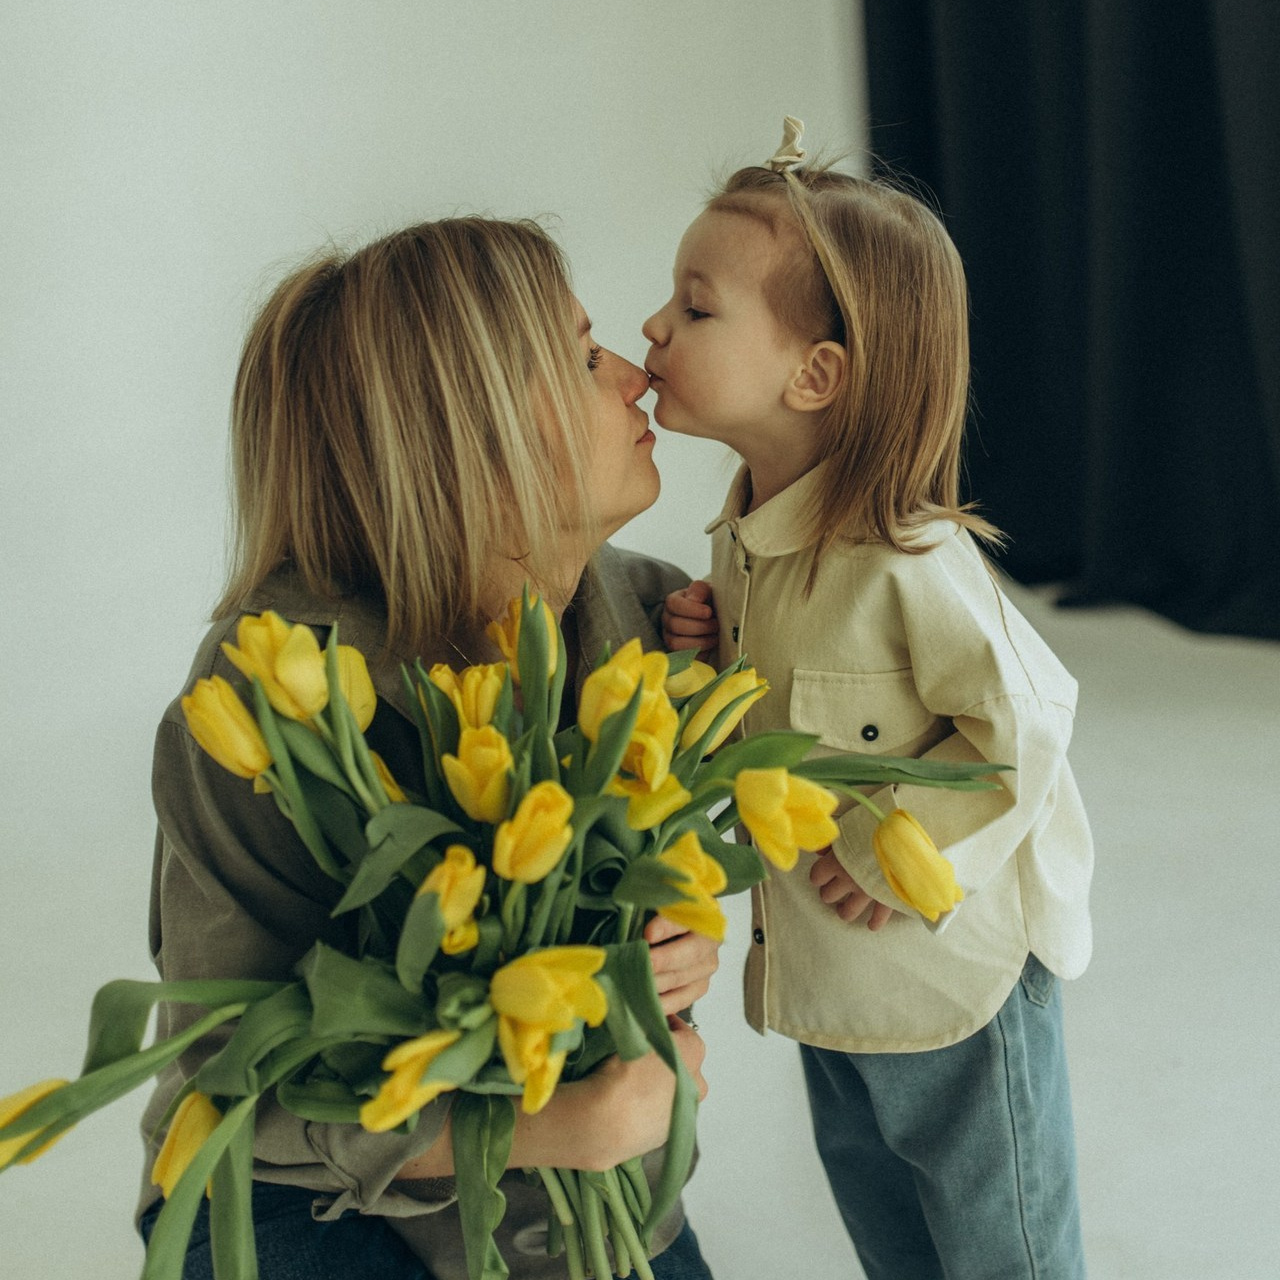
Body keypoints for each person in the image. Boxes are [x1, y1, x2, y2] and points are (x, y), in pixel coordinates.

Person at [138, 216, 718, 1280]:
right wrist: (543, 1132)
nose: (637, 374)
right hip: (299, 1201)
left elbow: (687, 865)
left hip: (565, 1210)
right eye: (584, 356)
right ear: (468, 428)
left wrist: (685, 928)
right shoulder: (270, 686)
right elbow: (228, 1075)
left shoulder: (651, 616)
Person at [647, 120, 1093, 1279]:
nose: (652, 327)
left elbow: (1028, 719)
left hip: (947, 981)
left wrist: (911, 851)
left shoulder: (907, 559)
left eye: (695, 309)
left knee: (1003, 1245)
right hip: (827, 978)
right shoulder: (745, 539)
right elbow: (778, 709)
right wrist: (703, 654)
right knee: (885, 1223)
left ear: (815, 374)